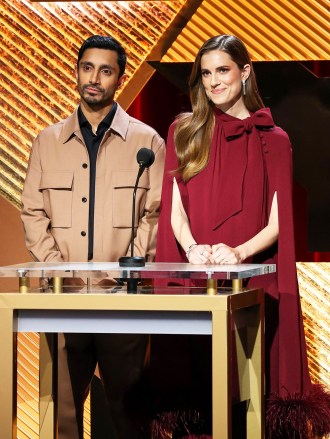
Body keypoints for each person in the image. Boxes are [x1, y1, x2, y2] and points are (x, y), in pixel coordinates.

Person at [154, 35, 330, 438]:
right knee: (198, 390)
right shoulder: (183, 131)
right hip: (198, 279)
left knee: (249, 392)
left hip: (254, 280)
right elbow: (174, 205)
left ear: (245, 72)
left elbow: (279, 219)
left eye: (223, 70)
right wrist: (192, 248)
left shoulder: (275, 138)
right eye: (206, 73)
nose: (215, 82)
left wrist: (239, 253)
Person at [21, 35, 165, 439]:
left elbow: (156, 213)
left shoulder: (147, 141)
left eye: (105, 70)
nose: (94, 78)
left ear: (119, 77)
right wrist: (54, 270)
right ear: (77, 71)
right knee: (60, 418)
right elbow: (33, 211)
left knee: (129, 418)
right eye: (87, 68)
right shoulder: (46, 142)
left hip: (123, 303)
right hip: (61, 300)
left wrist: (129, 272)